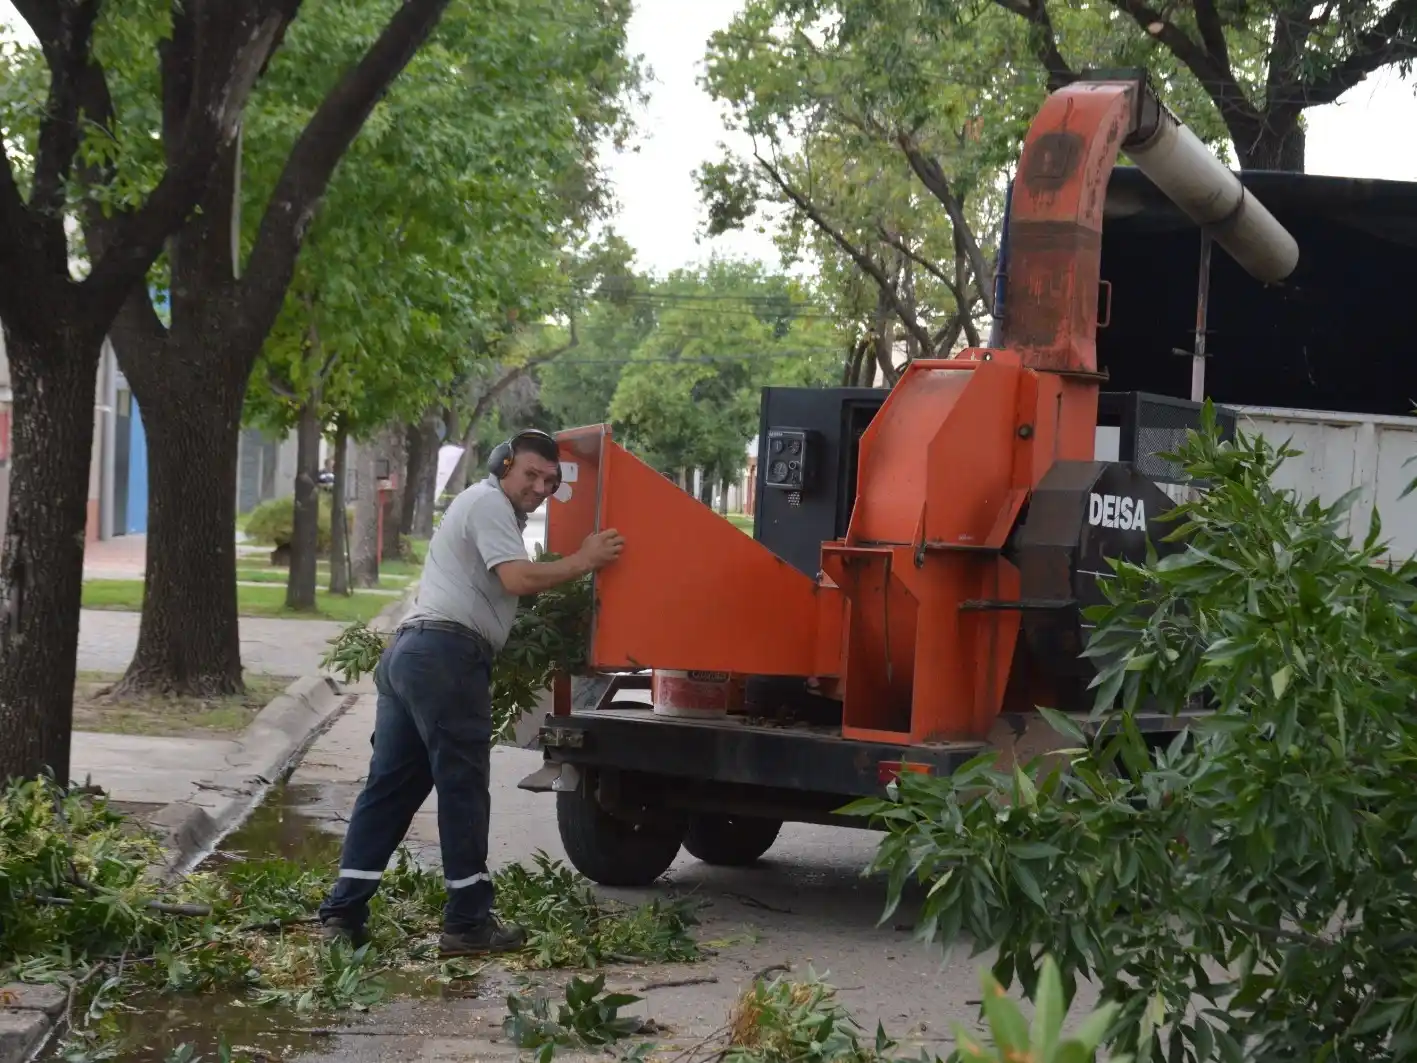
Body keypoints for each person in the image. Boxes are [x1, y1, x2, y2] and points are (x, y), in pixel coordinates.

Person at [317, 428, 624, 956]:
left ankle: (343, 912)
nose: (540, 486)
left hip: (411, 655)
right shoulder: (486, 503)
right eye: (531, 473)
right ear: (504, 464)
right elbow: (518, 579)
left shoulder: (488, 511)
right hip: (444, 658)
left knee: (389, 789)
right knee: (462, 788)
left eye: (550, 481)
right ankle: (467, 921)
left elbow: (497, 592)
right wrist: (585, 559)